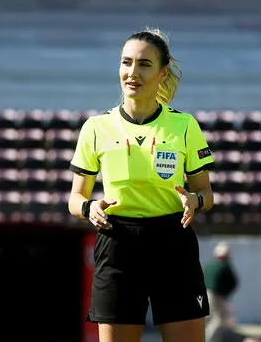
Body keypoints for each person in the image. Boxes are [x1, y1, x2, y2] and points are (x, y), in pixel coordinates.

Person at [68, 28, 215, 342]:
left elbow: (206, 193)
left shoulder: (184, 125)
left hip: (172, 242)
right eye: (126, 62)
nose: (132, 72)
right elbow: (75, 197)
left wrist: (195, 201)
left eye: (144, 64)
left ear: (162, 73)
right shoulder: (96, 127)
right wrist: (89, 207)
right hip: (117, 243)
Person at [203, 242, 239, 342]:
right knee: (217, 320)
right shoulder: (225, 265)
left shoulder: (208, 264)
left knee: (206, 319)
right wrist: (225, 296)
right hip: (215, 296)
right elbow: (233, 282)